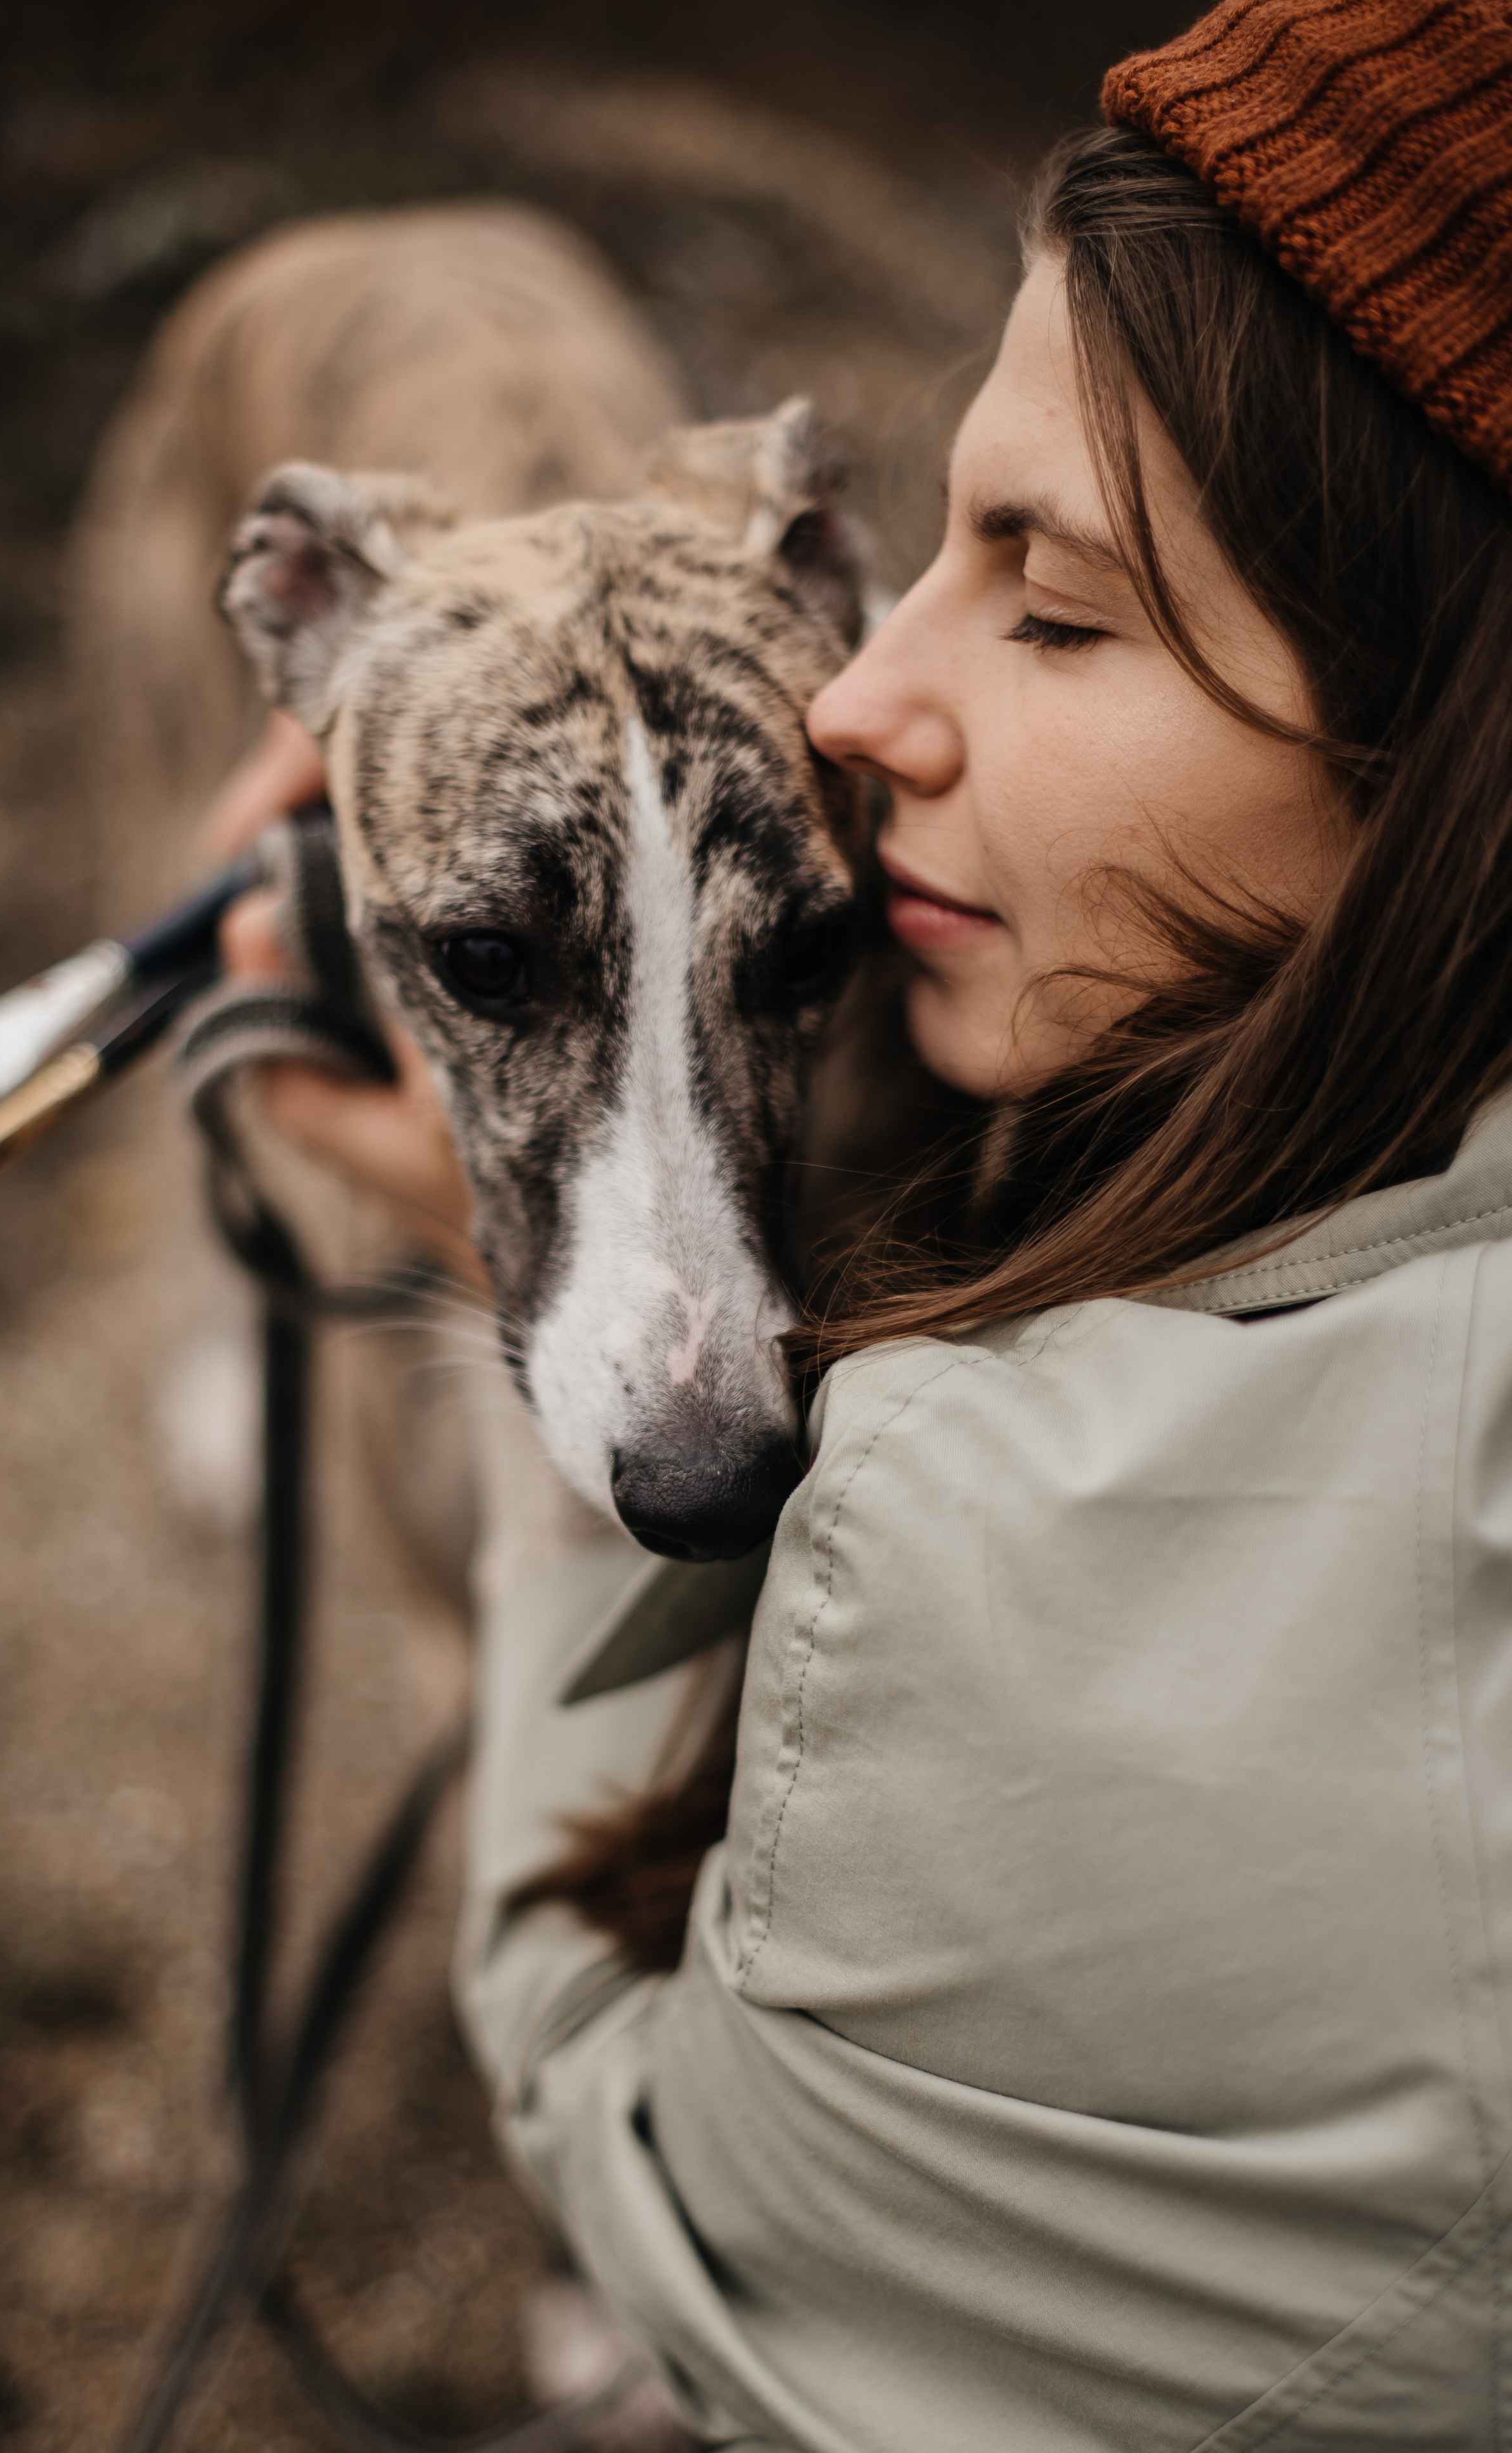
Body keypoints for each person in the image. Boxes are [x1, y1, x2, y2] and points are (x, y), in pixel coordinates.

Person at [209, 1, 1512, 2441]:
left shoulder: (982, 1537)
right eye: (918, 540)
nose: (855, 701)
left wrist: (557, 1496)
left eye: (1054, 597)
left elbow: (677, 2199)